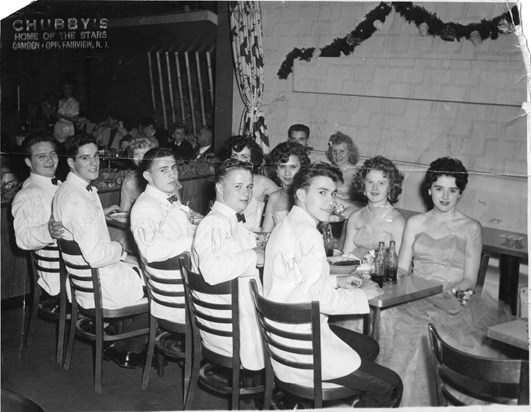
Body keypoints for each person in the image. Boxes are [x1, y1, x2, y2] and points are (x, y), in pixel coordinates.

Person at [263, 163, 403, 408]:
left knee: (367, 346)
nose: (330, 201)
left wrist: (335, 280)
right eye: (322, 192)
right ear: (301, 194)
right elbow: (322, 300)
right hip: (304, 346)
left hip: (281, 338)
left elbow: (298, 281)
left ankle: (310, 403)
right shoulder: (309, 235)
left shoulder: (286, 225)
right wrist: (362, 294)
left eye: (333, 193)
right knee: (390, 385)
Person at [376, 157, 512, 407]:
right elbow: (403, 267)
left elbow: (470, 278)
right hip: (414, 297)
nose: (445, 196)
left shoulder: (470, 227)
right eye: (439, 188)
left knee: (431, 338)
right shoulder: (415, 223)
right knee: (386, 327)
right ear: (429, 190)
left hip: (453, 300)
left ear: (460, 193)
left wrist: (454, 294)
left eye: (452, 190)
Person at [52, 134, 146, 367]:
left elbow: (77, 221)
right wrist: (121, 250)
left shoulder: (70, 189)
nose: (94, 163)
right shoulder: (78, 199)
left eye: (96, 156)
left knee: (139, 267)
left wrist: (99, 213)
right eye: (86, 158)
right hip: (99, 283)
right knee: (160, 280)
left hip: (81, 281)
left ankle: (118, 337)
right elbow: (96, 256)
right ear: (72, 163)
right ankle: (126, 348)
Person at [192, 158, 264, 372]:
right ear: (220, 188)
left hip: (233, 317)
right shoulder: (215, 223)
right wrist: (253, 256)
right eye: (238, 186)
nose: (246, 193)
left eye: (249, 187)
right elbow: (213, 272)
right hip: (230, 328)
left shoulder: (230, 219)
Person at [130, 148, 198, 323]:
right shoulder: (145, 206)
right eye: (164, 170)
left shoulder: (166, 198)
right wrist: (193, 241)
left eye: (174, 168)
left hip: (182, 280)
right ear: (147, 176)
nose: (172, 175)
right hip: (176, 293)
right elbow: (150, 250)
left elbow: (182, 230)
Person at [12, 134, 61, 297]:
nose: (50, 160)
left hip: (72, 262)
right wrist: (48, 231)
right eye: (42, 156)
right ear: (28, 162)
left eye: (52, 154)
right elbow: (22, 238)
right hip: (61, 272)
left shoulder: (59, 185)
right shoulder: (28, 194)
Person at [342, 156, 405, 258]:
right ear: (363, 185)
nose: (374, 188)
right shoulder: (355, 217)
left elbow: (398, 264)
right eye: (370, 182)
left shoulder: (397, 221)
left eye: (381, 183)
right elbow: (345, 257)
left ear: (391, 187)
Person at [221, 135, 278, 231]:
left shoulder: (262, 182)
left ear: (253, 160)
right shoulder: (223, 181)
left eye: (244, 157)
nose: (238, 161)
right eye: (234, 156)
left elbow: (284, 198)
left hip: (252, 237)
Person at [119, 137, 181, 213]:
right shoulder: (129, 180)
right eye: (136, 154)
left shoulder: (167, 175)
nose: (141, 158)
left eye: (145, 154)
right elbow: (124, 212)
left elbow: (178, 206)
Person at [261, 141, 310, 232]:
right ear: (276, 169)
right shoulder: (274, 197)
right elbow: (265, 232)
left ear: (302, 169)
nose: (287, 173)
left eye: (293, 167)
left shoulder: (308, 195)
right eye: (282, 167)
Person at [326, 131, 359, 201]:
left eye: (342, 151)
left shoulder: (357, 173)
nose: (338, 155)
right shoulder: (327, 171)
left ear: (350, 152)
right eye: (334, 151)